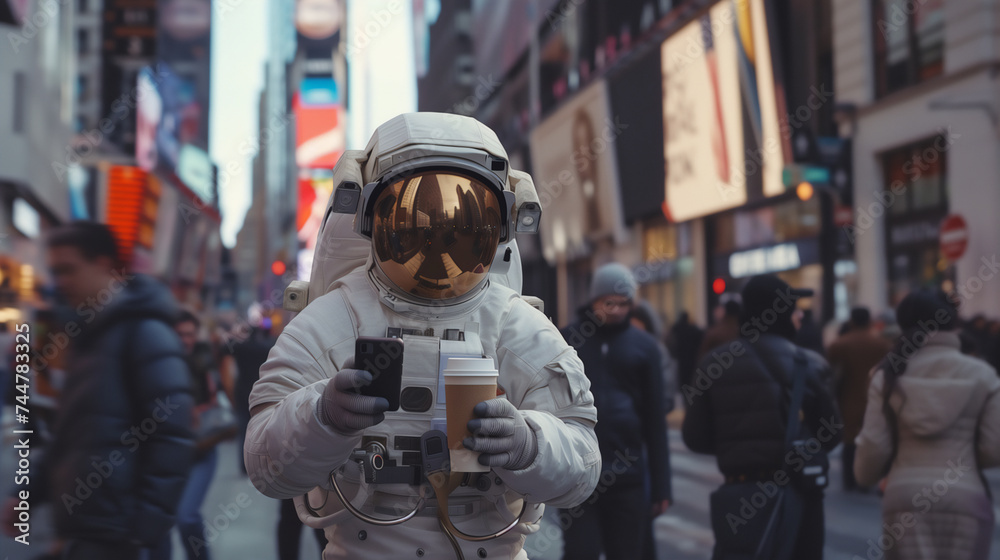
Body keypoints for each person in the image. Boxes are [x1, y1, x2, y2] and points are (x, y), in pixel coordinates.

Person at [243, 113, 600, 559]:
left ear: (500, 229)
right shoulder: (336, 319)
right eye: (417, 226)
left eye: (458, 228)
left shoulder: (512, 325)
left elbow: (583, 468)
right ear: (374, 220)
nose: (437, 244)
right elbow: (265, 465)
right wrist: (322, 417)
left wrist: (528, 444)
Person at [1, 222, 194, 559]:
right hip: (87, 529)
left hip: (115, 533)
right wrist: (26, 494)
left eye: (68, 270)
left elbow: (172, 437)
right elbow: (69, 433)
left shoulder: (144, 332)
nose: (60, 282)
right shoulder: (87, 335)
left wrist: (141, 533)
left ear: (103, 264)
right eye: (55, 271)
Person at [682, 274, 842, 559]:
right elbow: (832, 433)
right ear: (780, 311)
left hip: (739, 494)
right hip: (799, 494)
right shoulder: (809, 364)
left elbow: (695, 437)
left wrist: (735, 445)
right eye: (794, 307)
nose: (800, 315)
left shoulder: (714, 363)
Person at [854, 290, 1000, 560]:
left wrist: (864, 476)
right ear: (954, 324)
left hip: (903, 497)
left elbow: (873, 445)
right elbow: (994, 448)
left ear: (903, 324)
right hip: (965, 497)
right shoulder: (983, 374)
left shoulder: (886, 374)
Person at [560, 265, 671, 560]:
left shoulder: (645, 347)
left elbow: (655, 422)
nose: (617, 310)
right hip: (579, 477)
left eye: (624, 304)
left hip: (628, 479)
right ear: (595, 300)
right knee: (579, 552)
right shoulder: (568, 340)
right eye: (610, 302)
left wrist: (662, 488)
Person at [150, 309, 232, 560]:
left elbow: (216, 397)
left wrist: (194, 412)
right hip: (164, 453)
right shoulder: (157, 362)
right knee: (156, 524)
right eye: (180, 334)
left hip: (200, 450)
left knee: (186, 517)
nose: (185, 340)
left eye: (190, 335)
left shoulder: (203, 359)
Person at [826, 307, 891, 492]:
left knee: (850, 441)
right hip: (876, 396)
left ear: (852, 321)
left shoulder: (840, 344)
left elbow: (830, 373)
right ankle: (874, 478)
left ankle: (851, 479)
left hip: (849, 397)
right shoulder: (882, 344)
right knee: (877, 436)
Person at [668, 311, 703, 397]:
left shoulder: (677, 328)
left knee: (683, 381)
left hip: (681, 359)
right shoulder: (693, 330)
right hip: (691, 359)